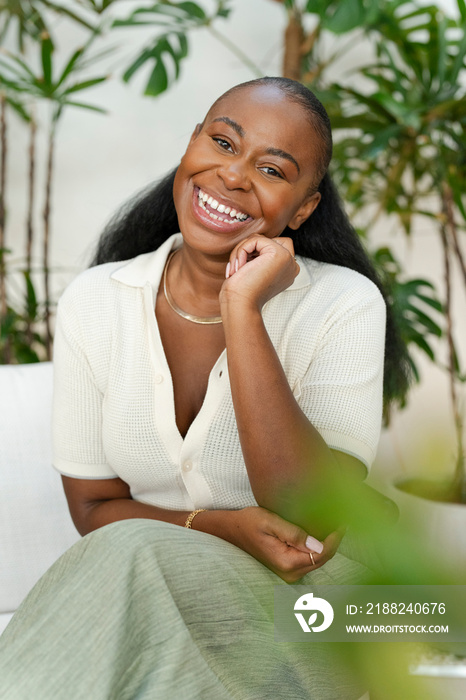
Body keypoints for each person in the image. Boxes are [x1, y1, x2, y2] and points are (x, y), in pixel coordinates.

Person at [0, 77, 408, 699]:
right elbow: (93, 510)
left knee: (134, 561)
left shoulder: (342, 304)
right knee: (134, 570)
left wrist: (242, 309)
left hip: (324, 610)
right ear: (191, 145)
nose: (233, 175)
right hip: (161, 592)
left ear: (302, 209)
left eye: (271, 169)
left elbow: (309, 511)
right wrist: (224, 527)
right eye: (222, 142)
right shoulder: (97, 302)